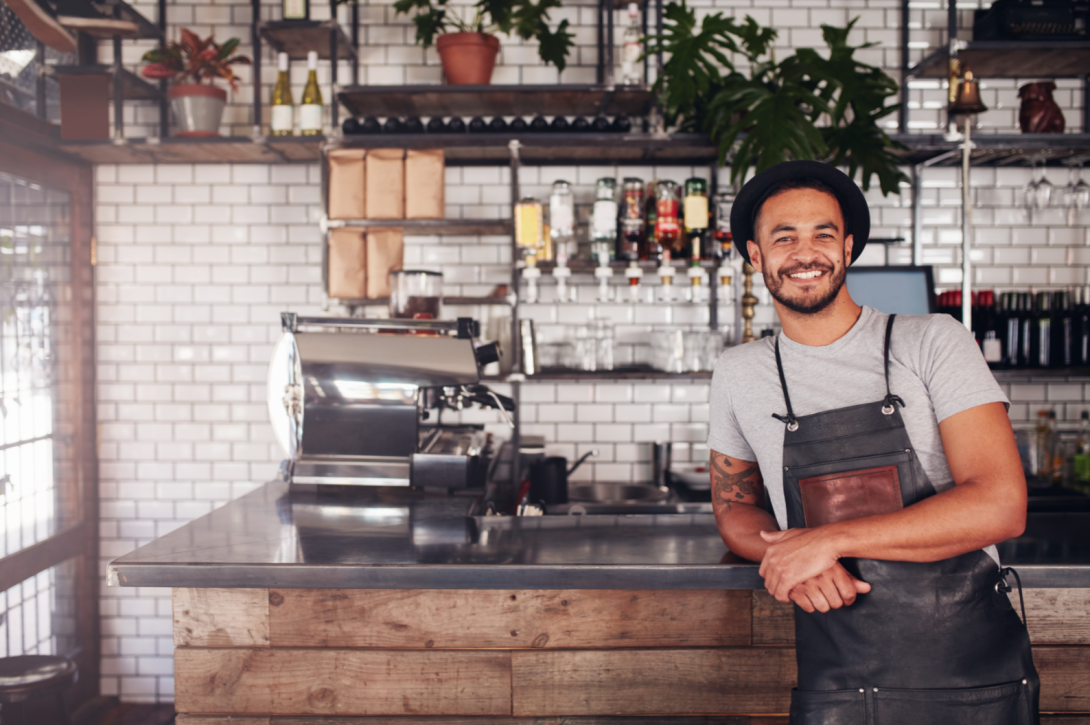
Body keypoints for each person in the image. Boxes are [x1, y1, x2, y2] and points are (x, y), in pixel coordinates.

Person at [707, 160, 1039, 724]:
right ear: (755, 256)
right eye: (784, 237)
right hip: (836, 683)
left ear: (849, 248)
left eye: (823, 234)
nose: (805, 252)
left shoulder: (933, 341)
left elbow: (1001, 505)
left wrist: (825, 541)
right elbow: (734, 508)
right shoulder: (739, 372)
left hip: (972, 681)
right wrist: (790, 556)